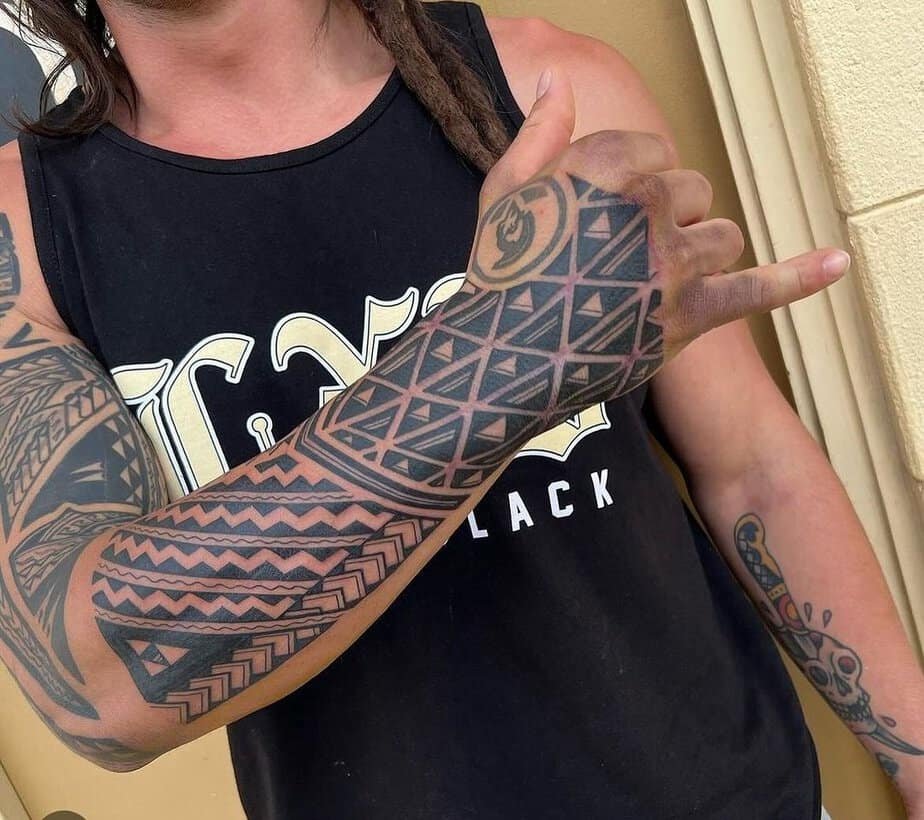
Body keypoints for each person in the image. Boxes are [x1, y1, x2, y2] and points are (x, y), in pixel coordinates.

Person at [0, 1, 920, 818]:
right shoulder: (25, 232)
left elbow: (752, 466)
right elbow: (101, 682)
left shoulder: (547, 88)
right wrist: (513, 344)